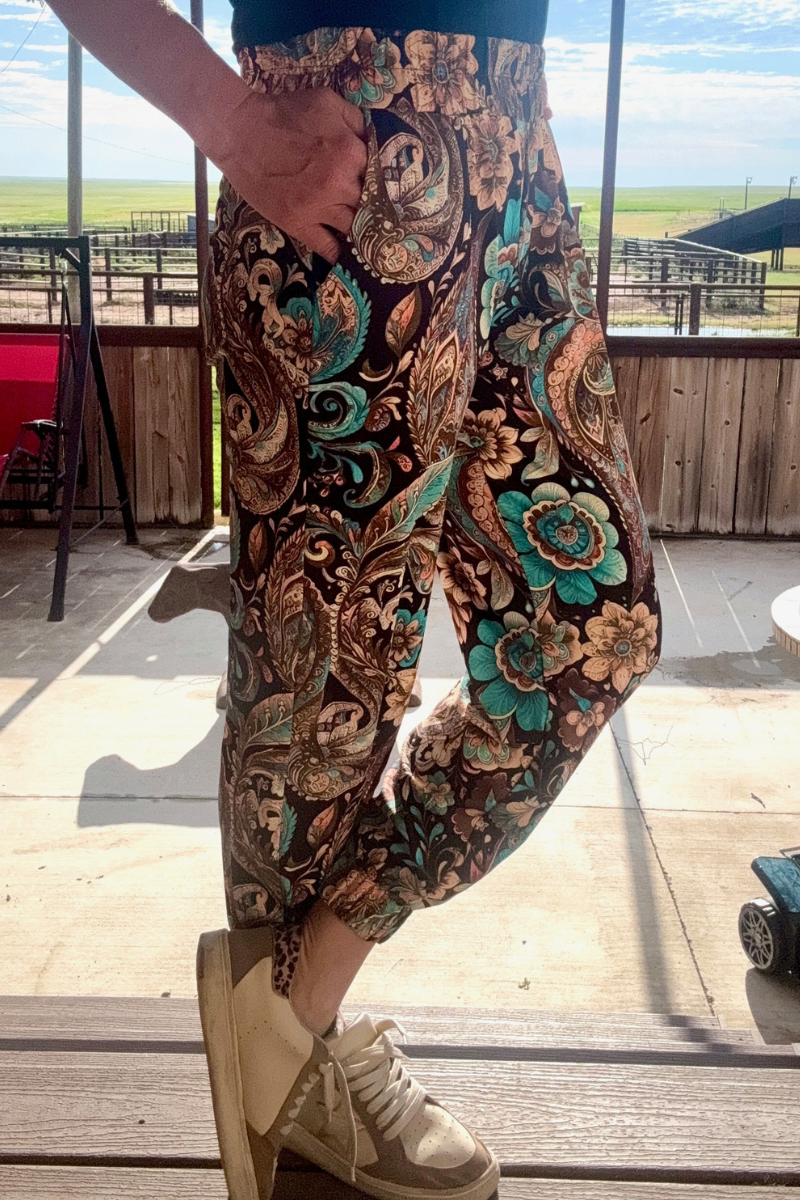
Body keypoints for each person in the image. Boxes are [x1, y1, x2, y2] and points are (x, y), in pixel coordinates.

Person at [48, 2, 662, 1197]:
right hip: (349, 137)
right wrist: (225, 115)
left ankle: (291, 1004)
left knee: (591, 634)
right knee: (326, 690)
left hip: (519, 156)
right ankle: (298, 1068)